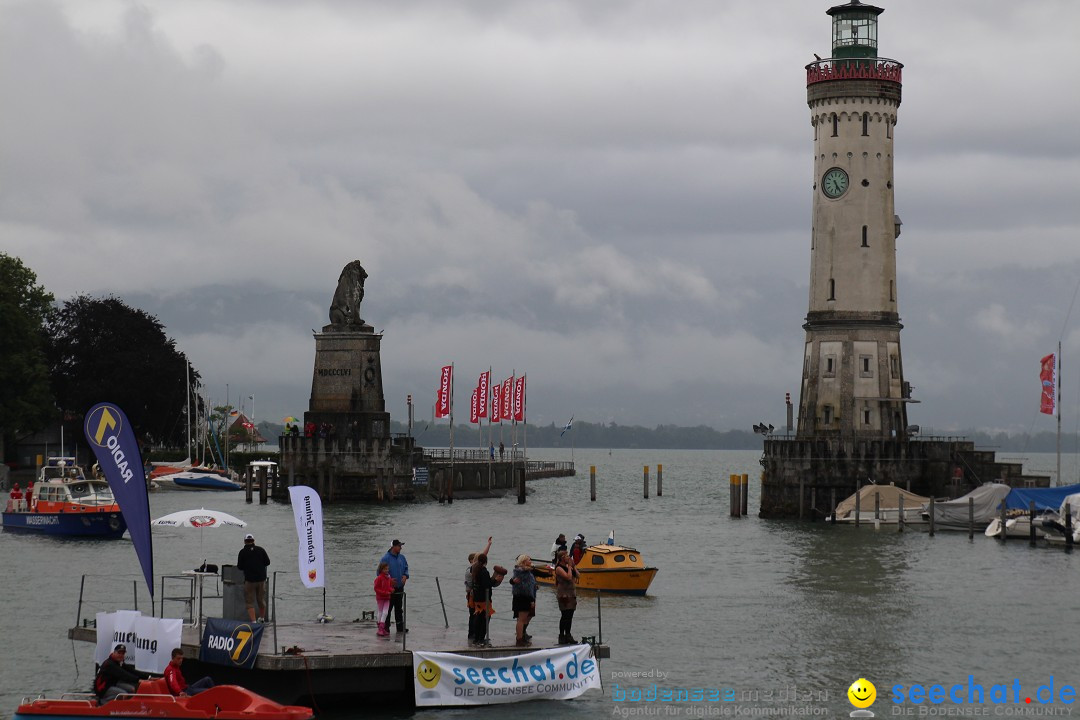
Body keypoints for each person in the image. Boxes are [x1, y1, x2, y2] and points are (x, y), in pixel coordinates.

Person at [469, 553, 503, 647]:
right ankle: (481, 639)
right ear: (486, 562)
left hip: (476, 598)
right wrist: (495, 579)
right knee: (485, 619)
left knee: (478, 618)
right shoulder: (484, 572)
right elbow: (487, 585)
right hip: (484, 599)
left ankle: (476, 639)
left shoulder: (474, 569)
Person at [236, 533, 270, 622]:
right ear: (253, 541)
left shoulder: (242, 552)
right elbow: (267, 562)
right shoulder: (261, 550)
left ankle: (254, 621)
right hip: (261, 580)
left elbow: (240, 566)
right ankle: (262, 618)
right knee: (261, 600)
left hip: (249, 580)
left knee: (249, 602)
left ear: (244, 541)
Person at [465, 537, 493, 644]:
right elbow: (487, 584)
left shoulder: (475, 568)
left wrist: (489, 544)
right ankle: (477, 636)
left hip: (476, 596)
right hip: (478, 597)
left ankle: (475, 636)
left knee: (476, 616)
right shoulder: (476, 571)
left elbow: (483, 556)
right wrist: (493, 581)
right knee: (478, 617)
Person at [379, 539, 409, 632]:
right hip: (389, 589)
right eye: (399, 546)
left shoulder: (402, 557)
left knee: (399, 609)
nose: (401, 547)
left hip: (400, 587)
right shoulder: (385, 558)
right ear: (393, 547)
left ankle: (400, 628)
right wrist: (389, 580)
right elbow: (379, 573)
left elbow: (406, 568)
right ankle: (385, 628)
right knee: (388, 609)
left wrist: (405, 576)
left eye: (401, 546)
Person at [510, 554, 537, 646]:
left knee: (523, 619)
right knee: (521, 620)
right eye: (529, 560)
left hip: (521, 597)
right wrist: (531, 600)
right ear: (524, 562)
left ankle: (521, 637)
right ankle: (519, 639)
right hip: (523, 597)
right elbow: (526, 588)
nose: (531, 562)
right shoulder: (522, 571)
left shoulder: (522, 571)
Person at [554, 549, 580, 644]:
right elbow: (568, 577)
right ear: (562, 558)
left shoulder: (569, 566)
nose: (569, 557)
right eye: (567, 556)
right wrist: (569, 567)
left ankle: (568, 634)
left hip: (571, 593)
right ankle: (562, 635)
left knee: (570, 615)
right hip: (564, 594)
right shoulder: (559, 568)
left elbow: (578, 575)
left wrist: (574, 566)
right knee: (565, 615)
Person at [373, 562, 393, 637]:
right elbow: (376, 588)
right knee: (381, 612)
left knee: (385, 612)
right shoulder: (379, 578)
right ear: (381, 569)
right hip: (380, 598)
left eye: (387, 569)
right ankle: (380, 628)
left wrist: (391, 590)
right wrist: (385, 592)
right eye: (385, 569)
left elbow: (389, 586)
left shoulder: (389, 577)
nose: (387, 570)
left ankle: (381, 627)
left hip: (387, 597)